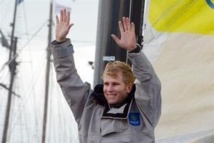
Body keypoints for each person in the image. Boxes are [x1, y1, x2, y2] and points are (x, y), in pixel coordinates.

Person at [51, 9, 161, 143]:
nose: (109, 89)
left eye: (115, 84)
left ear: (128, 87)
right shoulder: (88, 108)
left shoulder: (144, 110)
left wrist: (134, 50)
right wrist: (61, 43)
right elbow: (67, 78)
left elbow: (148, 80)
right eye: (107, 84)